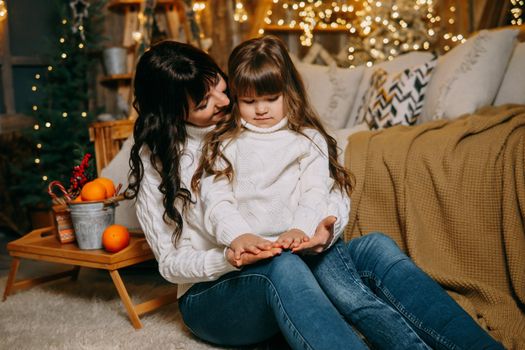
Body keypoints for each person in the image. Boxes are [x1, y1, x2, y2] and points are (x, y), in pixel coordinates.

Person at [126, 38, 504, 350]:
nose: (225, 103)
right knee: (282, 265)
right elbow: (171, 262)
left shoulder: (261, 124)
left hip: (290, 255)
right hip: (216, 295)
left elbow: (323, 187)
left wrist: (323, 229)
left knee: (375, 247)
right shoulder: (162, 160)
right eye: (204, 103)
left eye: (222, 88)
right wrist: (229, 254)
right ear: (173, 113)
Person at [190, 35, 440, 349]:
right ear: (236, 98)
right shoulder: (223, 143)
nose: (261, 110)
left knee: (359, 299)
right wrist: (238, 235)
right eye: (249, 101)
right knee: (342, 291)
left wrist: (300, 229)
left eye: (270, 98)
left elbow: (315, 192)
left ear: (288, 92)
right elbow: (216, 201)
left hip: (302, 245)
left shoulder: (308, 139)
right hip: (258, 264)